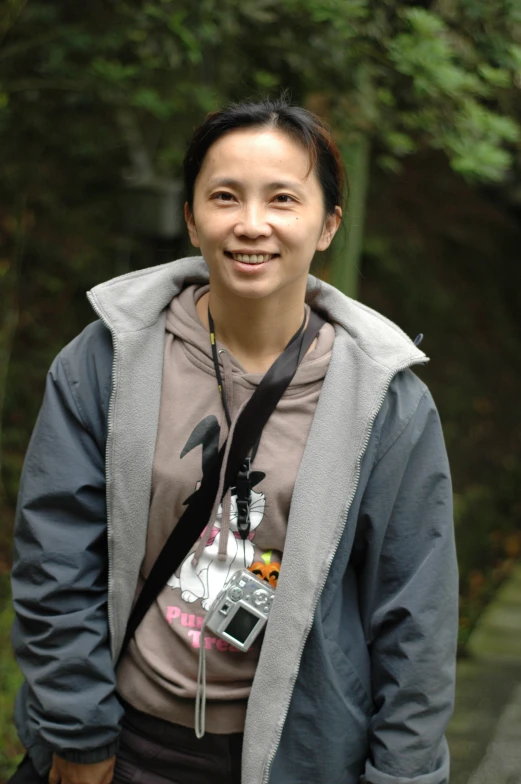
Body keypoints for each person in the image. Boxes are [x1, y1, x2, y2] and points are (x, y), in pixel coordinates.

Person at [10, 96, 458, 784]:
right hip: (119, 748)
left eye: (282, 199)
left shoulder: (387, 404)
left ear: (327, 223)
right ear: (191, 217)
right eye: (225, 196)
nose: (252, 225)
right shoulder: (105, 361)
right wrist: (78, 733)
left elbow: (415, 619)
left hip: (297, 757)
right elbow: (54, 560)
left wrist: (403, 775)